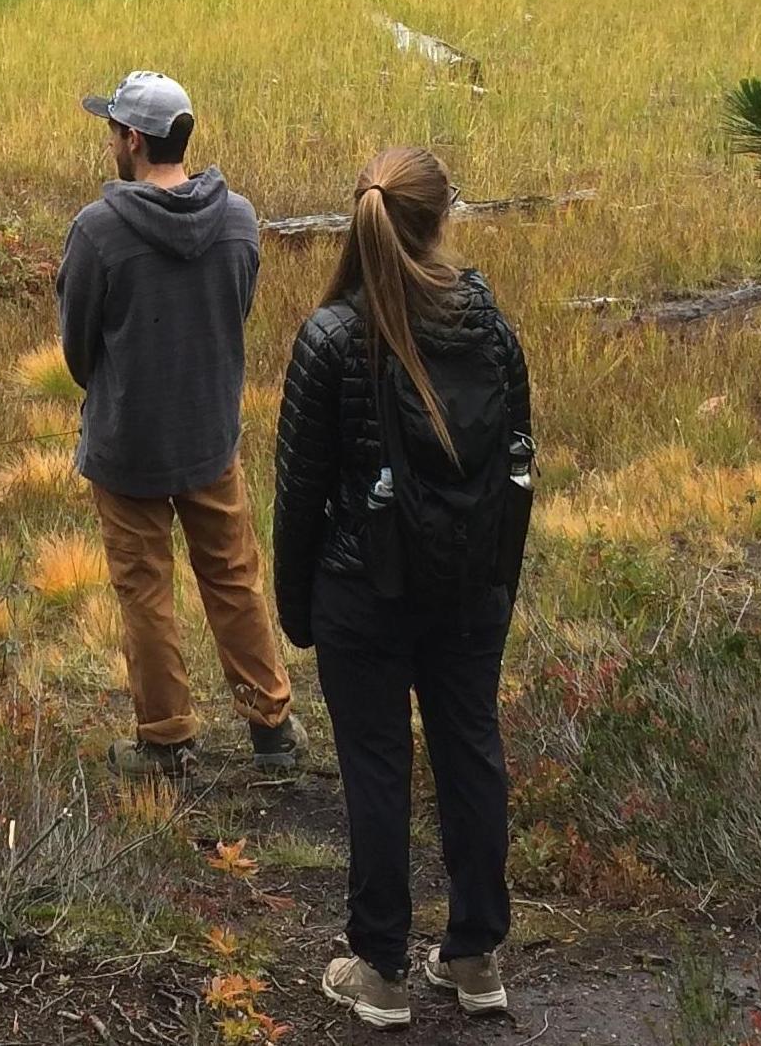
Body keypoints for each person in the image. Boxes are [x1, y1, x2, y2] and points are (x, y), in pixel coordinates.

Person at [272, 147, 533, 1029]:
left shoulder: (330, 336)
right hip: (470, 586)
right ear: (442, 217)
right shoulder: (492, 329)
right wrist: (502, 577)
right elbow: (517, 463)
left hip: (362, 589)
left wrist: (295, 607)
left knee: (375, 768)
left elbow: (297, 491)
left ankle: (378, 967)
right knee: (471, 753)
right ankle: (476, 954)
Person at [56, 68, 302, 781]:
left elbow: (77, 346)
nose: (108, 140)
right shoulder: (240, 218)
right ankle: (273, 728)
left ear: (133, 138)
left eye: (111, 130)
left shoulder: (97, 230)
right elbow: (235, 309)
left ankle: (165, 740)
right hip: (208, 433)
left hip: (126, 442)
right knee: (232, 575)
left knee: (143, 586)